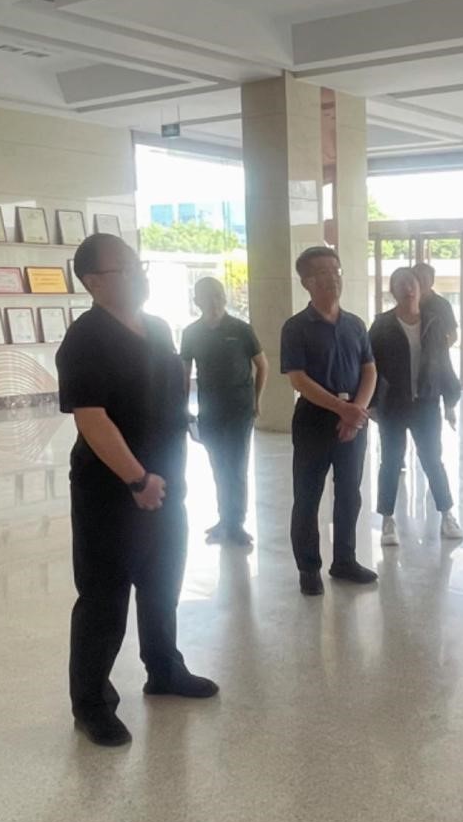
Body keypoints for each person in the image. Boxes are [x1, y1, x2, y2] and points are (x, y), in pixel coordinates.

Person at [56, 234, 218, 748]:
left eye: (136, 264)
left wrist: (184, 429)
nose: (138, 274)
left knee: (161, 581)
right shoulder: (85, 339)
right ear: (94, 282)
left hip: (168, 483)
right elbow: (92, 419)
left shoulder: (158, 327)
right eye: (125, 268)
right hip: (113, 492)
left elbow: (167, 391)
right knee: (104, 597)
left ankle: (164, 669)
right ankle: (91, 703)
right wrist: (136, 478)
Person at [281, 246, 378, 596]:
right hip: (314, 420)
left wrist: (357, 412)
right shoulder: (296, 327)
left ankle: (345, 560)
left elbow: (369, 369)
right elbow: (298, 379)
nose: (332, 278)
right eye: (322, 272)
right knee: (308, 496)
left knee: (350, 493)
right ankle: (309, 568)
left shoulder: (355, 324)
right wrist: (342, 410)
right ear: (306, 282)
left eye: (336, 270)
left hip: (354, 421)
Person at [369, 267, 463, 546]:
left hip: (426, 403)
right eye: (401, 284)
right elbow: (369, 366)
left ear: (421, 288)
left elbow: (443, 363)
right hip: (392, 405)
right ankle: (387, 520)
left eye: (412, 283)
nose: (408, 289)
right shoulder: (381, 325)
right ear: (393, 291)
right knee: (390, 461)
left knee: (432, 459)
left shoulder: (434, 323)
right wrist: (371, 403)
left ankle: (447, 514)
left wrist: (450, 401)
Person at [180, 277, 268, 549]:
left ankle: (236, 523)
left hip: (240, 408)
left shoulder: (241, 329)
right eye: (208, 297)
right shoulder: (191, 333)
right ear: (197, 301)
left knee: (237, 466)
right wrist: (183, 408)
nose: (215, 302)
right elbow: (184, 373)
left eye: (218, 295)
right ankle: (224, 519)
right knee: (218, 465)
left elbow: (262, 365)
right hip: (210, 409)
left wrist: (256, 400)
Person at [412, 261, 458, 348]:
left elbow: (453, 336)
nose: (421, 282)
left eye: (425, 278)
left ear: (432, 281)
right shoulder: (407, 303)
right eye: (417, 278)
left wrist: (438, 351)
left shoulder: (443, 305)